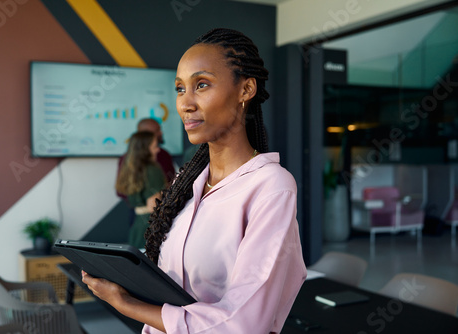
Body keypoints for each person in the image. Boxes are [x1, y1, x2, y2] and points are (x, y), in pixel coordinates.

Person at [83, 28, 306, 333]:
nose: (185, 103)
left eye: (201, 85)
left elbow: (244, 324)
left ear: (246, 89)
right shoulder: (184, 185)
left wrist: (126, 304)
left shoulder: (272, 187)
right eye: (179, 89)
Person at [115, 131, 166, 249]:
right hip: (152, 229)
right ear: (145, 149)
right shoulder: (152, 170)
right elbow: (154, 205)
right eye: (155, 146)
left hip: (137, 227)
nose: (158, 150)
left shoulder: (128, 168)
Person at [137, 118, 176, 183]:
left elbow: (172, 181)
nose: (161, 132)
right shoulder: (128, 159)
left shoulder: (164, 155)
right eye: (157, 130)